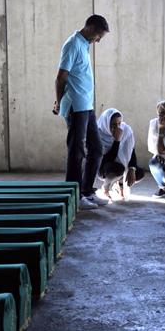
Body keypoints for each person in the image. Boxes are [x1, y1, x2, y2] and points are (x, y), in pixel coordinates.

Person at [54, 15, 110, 210]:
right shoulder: (72, 44)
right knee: (76, 151)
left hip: (86, 105)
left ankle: (86, 191)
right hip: (76, 107)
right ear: (90, 28)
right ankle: (74, 196)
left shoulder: (84, 43)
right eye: (98, 36)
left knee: (96, 148)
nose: (99, 40)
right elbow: (61, 77)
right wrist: (60, 101)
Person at [97, 108, 145, 199]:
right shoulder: (99, 134)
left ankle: (120, 184)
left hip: (121, 166)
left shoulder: (126, 130)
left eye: (119, 124)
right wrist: (117, 140)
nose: (117, 128)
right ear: (106, 124)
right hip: (104, 168)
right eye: (113, 125)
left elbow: (131, 151)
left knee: (139, 173)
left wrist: (132, 169)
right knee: (117, 169)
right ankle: (105, 187)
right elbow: (107, 159)